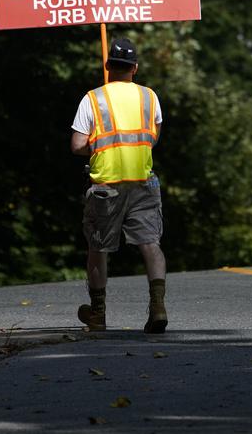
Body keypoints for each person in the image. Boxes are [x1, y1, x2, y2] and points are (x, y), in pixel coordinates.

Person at [70, 36, 167, 333]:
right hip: (142, 181)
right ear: (135, 68)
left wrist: (99, 147)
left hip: (106, 185)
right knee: (150, 243)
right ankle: (158, 307)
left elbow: (77, 145)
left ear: (108, 65)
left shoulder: (93, 98)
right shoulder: (150, 97)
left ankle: (98, 314)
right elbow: (154, 137)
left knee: (99, 248)